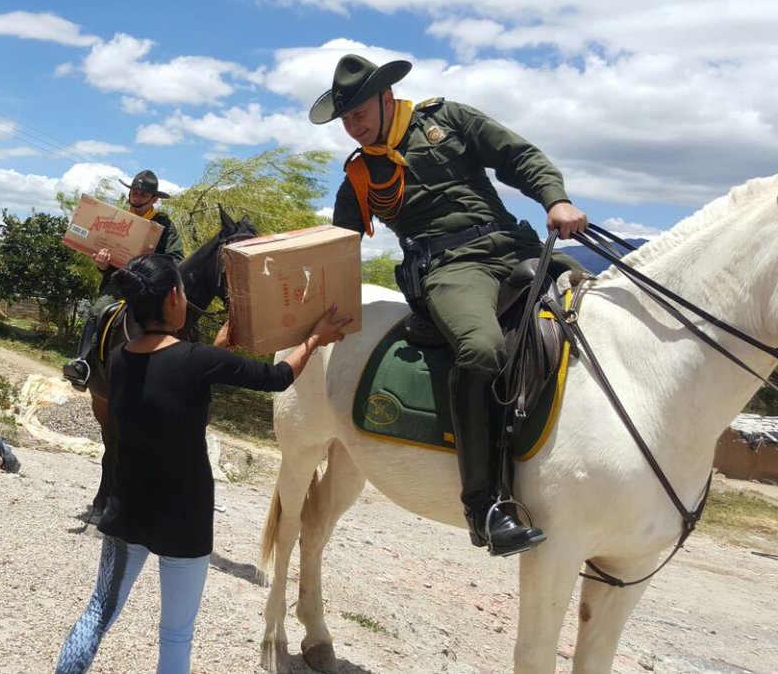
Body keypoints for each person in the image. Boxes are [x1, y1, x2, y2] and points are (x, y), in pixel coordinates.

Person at [311, 54, 588, 557]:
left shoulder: (447, 119)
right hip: (451, 269)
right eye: (345, 118)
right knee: (481, 348)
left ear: (385, 97)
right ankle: (484, 505)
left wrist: (555, 199)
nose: (352, 126)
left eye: (358, 112)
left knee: (598, 306)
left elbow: (515, 155)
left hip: (514, 244)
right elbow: (339, 248)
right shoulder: (358, 176)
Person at [54, 254, 351, 674]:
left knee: (98, 612)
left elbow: (168, 379)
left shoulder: (120, 358)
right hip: (184, 520)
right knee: (176, 636)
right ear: (175, 298)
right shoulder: (197, 362)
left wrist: (213, 352)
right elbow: (277, 377)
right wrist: (314, 339)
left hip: (128, 510)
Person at [62, 169, 186, 391]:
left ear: (154, 199)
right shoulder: (116, 220)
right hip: (120, 283)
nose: (136, 198)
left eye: (142, 194)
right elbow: (105, 262)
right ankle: (83, 362)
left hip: (152, 286)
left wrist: (152, 264)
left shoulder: (164, 226)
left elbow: (177, 259)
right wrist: (102, 264)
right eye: (134, 193)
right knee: (98, 310)